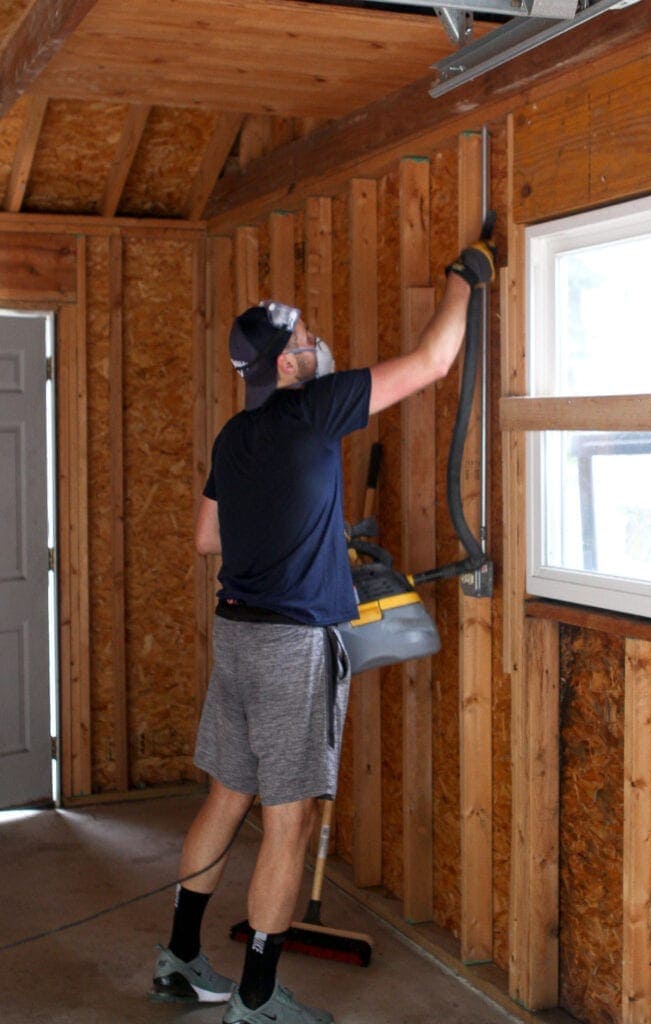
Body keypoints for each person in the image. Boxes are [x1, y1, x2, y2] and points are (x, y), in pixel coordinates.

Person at [150, 237, 495, 1024]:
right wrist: (463, 281)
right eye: (303, 339)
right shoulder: (317, 405)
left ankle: (177, 962)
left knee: (227, 797)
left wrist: (294, 532)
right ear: (287, 365)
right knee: (290, 818)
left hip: (235, 633)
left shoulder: (236, 436)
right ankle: (258, 1000)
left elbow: (207, 537)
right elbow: (435, 361)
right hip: (290, 647)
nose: (315, 343)